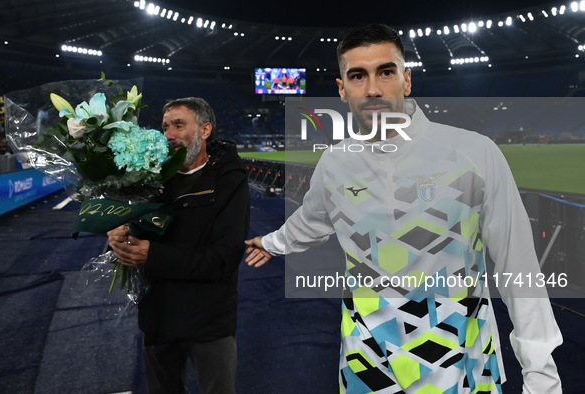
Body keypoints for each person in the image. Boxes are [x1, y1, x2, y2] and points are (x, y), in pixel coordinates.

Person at [245, 24, 562, 393]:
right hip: (366, 363)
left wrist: (542, 377)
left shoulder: (475, 154)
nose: (374, 88)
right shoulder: (335, 163)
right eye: (358, 76)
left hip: (460, 365)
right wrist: (272, 243)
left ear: (406, 80)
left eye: (386, 72)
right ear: (342, 89)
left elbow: (517, 266)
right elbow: (311, 220)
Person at [108, 97, 250, 393]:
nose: (168, 134)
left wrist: (152, 255)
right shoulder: (150, 176)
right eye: (164, 127)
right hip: (158, 318)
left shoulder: (229, 179)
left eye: (178, 125)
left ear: (205, 130)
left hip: (209, 322)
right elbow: (135, 231)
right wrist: (119, 236)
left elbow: (224, 258)